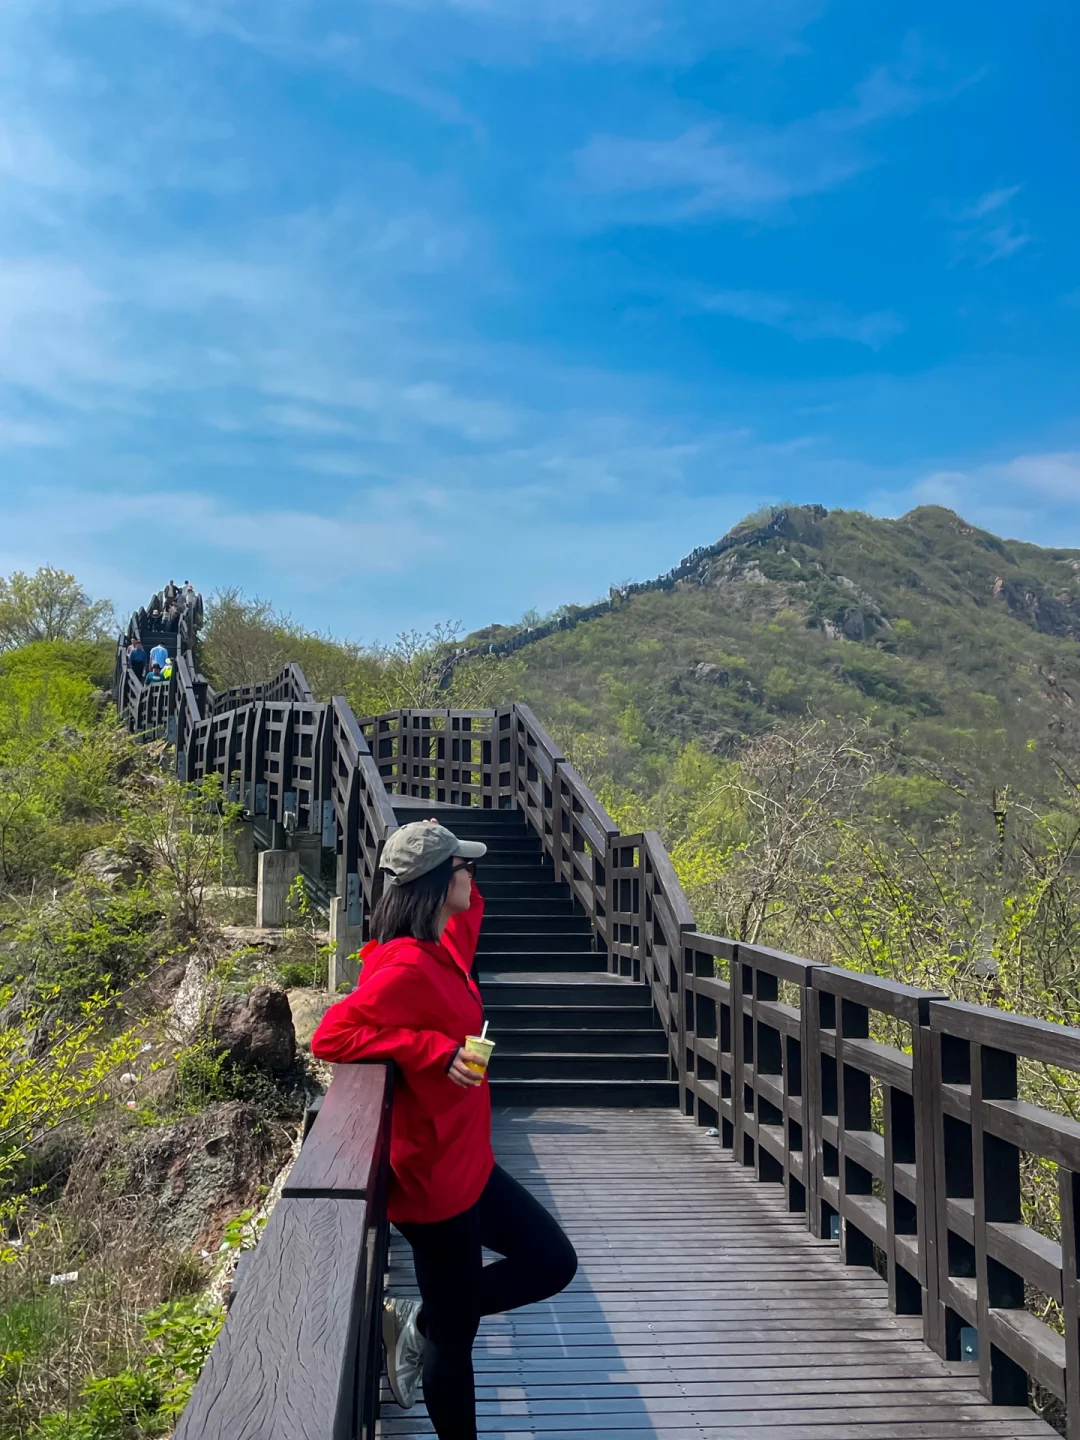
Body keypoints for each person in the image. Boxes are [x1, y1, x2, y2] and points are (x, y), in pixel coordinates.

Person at [311, 820, 577, 1440]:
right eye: (463, 867)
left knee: (552, 1262)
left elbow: (468, 906)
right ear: (434, 884)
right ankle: (433, 1335)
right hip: (434, 1185)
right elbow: (331, 1035)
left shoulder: (442, 943)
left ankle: (424, 1320)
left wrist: (450, 858)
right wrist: (430, 1049)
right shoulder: (404, 967)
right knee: (457, 1344)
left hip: (471, 1163)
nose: (473, 875)